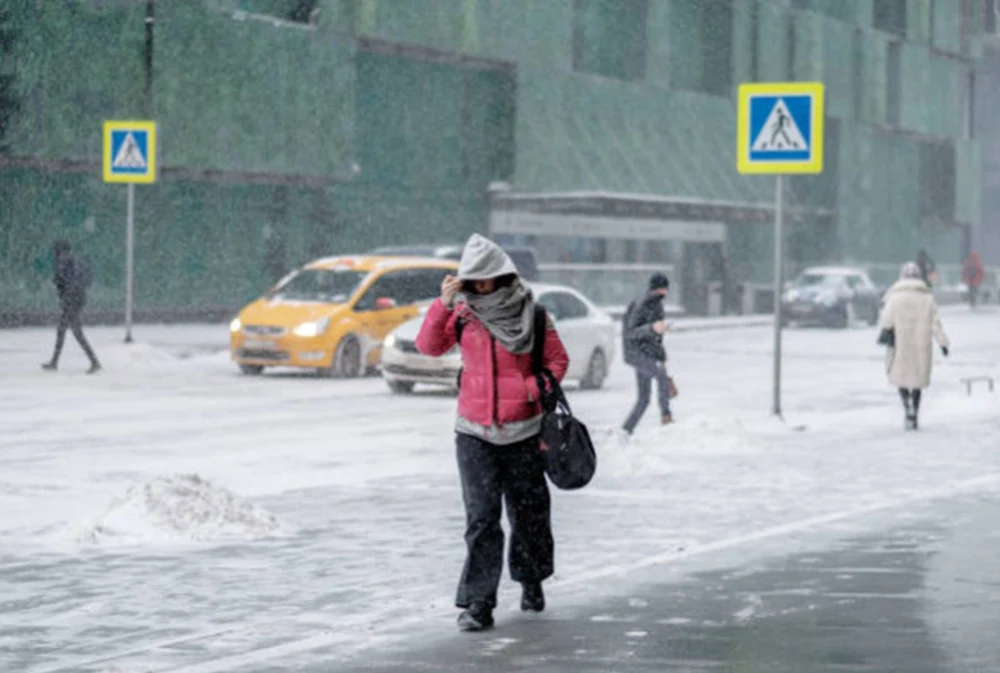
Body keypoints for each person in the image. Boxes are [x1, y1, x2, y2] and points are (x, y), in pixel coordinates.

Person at [415, 234, 569, 633]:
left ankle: (531, 578)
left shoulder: (532, 312)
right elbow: (429, 347)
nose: (481, 287)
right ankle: (480, 603)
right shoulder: (463, 313)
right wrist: (442, 305)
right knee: (482, 518)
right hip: (473, 432)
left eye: (488, 279)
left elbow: (557, 359)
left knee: (528, 512)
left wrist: (531, 390)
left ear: (502, 276)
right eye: (474, 280)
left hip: (523, 430)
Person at [879, 262, 949, 430]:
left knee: (901, 378)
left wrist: (885, 333)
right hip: (921, 344)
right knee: (917, 381)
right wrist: (943, 343)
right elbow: (936, 324)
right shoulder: (927, 298)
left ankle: (906, 407)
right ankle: (915, 412)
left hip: (900, 344)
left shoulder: (894, 297)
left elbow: (886, 320)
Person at [621, 272, 673, 436]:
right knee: (662, 377)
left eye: (665, 290)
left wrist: (661, 357)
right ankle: (667, 417)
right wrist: (651, 328)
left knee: (644, 398)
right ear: (654, 289)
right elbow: (630, 333)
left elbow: (657, 339)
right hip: (635, 353)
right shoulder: (641, 305)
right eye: (661, 290)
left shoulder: (657, 305)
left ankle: (626, 430)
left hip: (647, 353)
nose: (664, 293)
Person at [42, 240, 101, 374]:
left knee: (74, 332)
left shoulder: (63, 260)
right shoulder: (77, 260)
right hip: (78, 298)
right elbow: (87, 278)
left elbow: (60, 279)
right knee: (64, 330)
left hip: (70, 299)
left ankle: (94, 361)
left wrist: (62, 289)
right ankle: (55, 361)